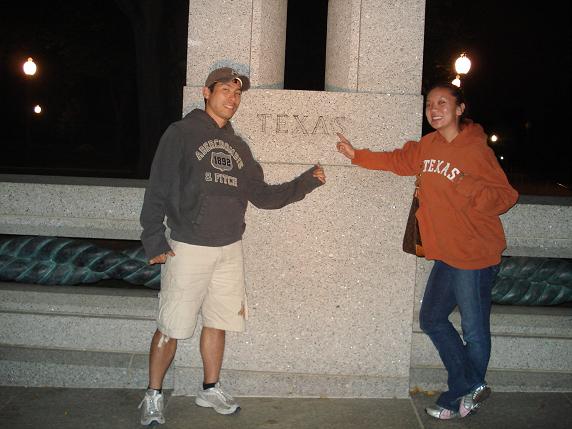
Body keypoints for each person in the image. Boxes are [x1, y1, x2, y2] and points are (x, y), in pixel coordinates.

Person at [138, 66, 326, 426]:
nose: (232, 98)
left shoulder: (240, 147)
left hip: (229, 248)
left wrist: (306, 182)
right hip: (188, 246)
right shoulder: (181, 133)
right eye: (225, 90)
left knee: (218, 321)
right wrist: (153, 239)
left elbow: (263, 196)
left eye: (237, 93)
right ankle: (153, 395)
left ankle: (209, 388)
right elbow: (158, 187)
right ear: (206, 92)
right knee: (171, 325)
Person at [335, 83, 518, 420]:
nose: (434, 110)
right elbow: (397, 160)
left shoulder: (477, 150)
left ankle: (457, 396)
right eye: (430, 104)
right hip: (447, 254)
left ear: (460, 109)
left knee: (474, 330)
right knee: (432, 319)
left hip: (475, 254)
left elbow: (506, 197)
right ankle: (473, 385)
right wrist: (356, 155)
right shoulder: (428, 146)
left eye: (442, 103)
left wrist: (470, 186)